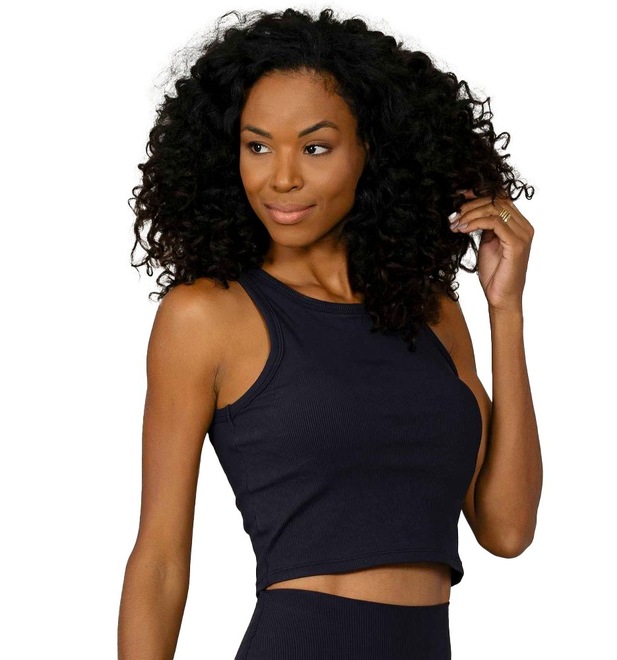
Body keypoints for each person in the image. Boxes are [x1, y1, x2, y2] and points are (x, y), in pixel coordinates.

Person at [117, 7, 542, 659]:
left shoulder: (429, 312)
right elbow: (160, 560)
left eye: (315, 148)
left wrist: (505, 310)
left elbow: (507, 529)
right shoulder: (206, 315)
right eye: (258, 146)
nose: (281, 177)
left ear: (374, 150)